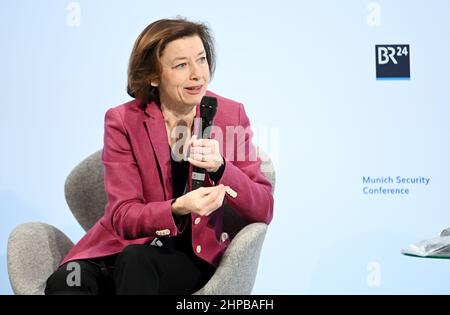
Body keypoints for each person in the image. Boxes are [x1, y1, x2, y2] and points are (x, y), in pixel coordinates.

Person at [45, 18, 274, 295]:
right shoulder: (123, 121)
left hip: (188, 256)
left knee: (137, 262)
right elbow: (123, 215)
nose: (198, 75)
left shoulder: (229, 114)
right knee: (66, 281)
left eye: (201, 60)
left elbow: (263, 207)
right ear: (153, 76)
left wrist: (222, 167)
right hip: (116, 249)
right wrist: (177, 206)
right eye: (181, 65)